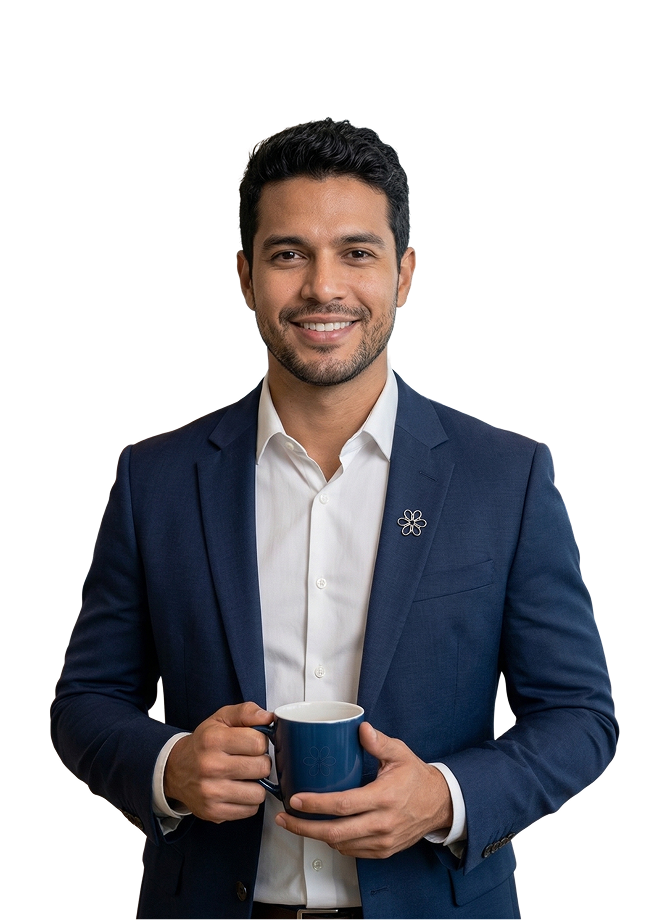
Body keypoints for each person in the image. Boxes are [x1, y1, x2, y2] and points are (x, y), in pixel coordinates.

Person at [51, 118, 618, 920]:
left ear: (404, 274)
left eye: (356, 252)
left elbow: (579, 717)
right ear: (245, 277)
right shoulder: (156, 477)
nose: (323, 287)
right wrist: (168, 766)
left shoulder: (506, 476)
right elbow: (84, 702)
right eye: (289, 254)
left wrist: (444, 796)